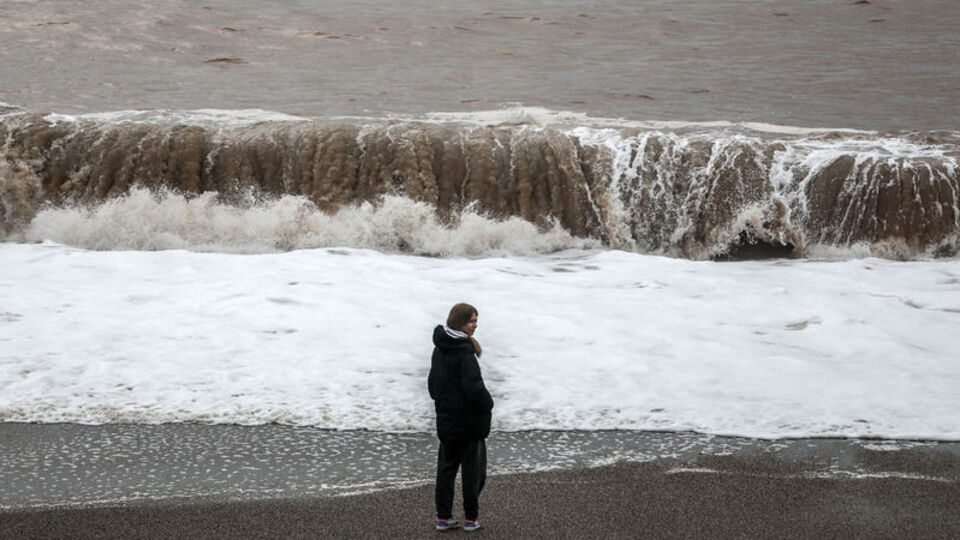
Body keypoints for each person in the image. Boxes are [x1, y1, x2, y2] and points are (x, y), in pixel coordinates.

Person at [428, 303, 494, 532]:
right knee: (474, 473)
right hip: (469, 425)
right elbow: (474, 389)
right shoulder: (465, 353)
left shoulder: (439, 349)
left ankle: (443, 518)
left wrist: (446, 405)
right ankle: (471, 519)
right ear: (460, 323)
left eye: (476, 321)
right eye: (472, 321)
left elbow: (432, 386)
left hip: (447, 422)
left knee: (446, 471)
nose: (475, 325)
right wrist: (488, 404)